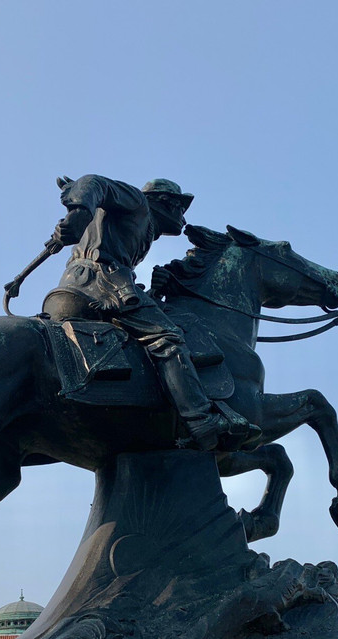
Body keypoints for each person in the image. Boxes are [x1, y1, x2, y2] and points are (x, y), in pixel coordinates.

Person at [49, 174, 256, 451]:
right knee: (166, 336)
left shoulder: (142, 227)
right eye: (180, 209)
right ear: (165, 203)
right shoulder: (137, 202)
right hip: (96, 284)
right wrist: (78, 212)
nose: (183, 220)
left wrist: (155, 291)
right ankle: (201, 420)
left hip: (79, 287)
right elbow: (93, 182)